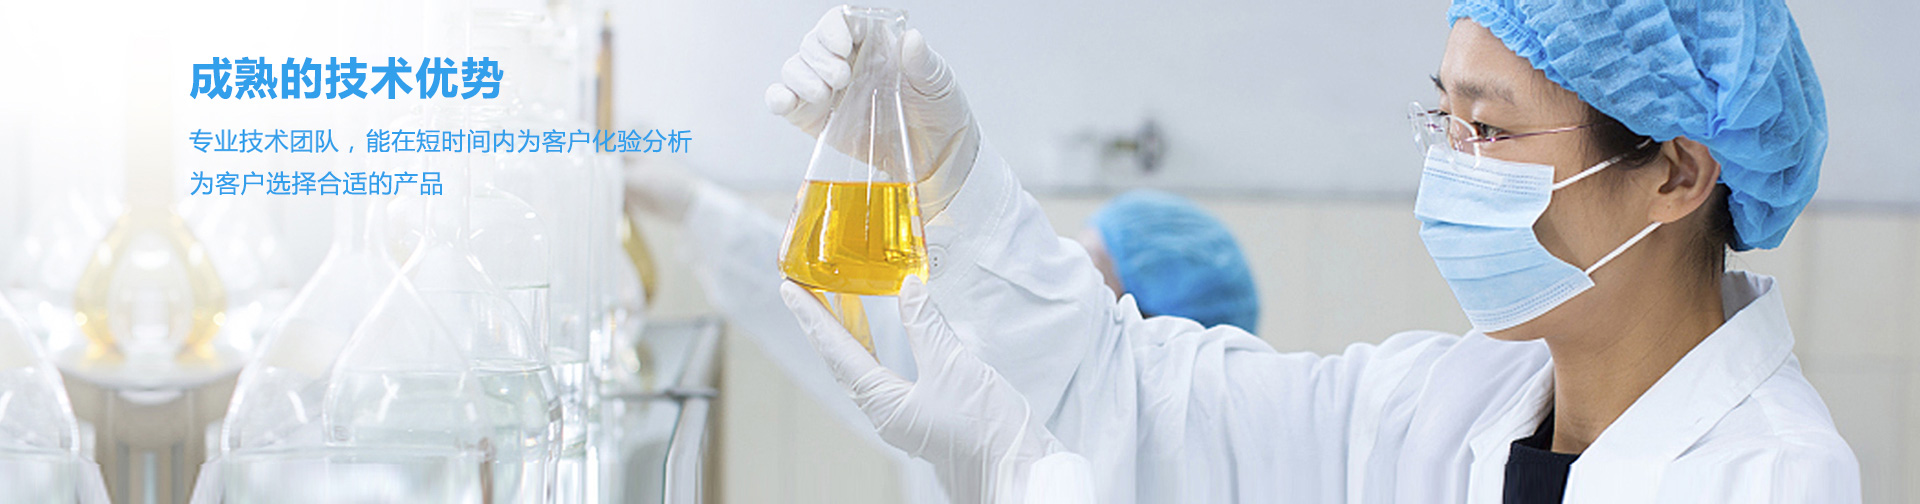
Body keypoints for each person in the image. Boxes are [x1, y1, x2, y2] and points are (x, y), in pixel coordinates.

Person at [768, 1, 1859, 503]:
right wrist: (949, 172)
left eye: (1490, 130)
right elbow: (1141, 397)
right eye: (1444, 120)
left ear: (1676, 174)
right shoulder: (1437, 406)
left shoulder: (1768, 480)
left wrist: (1041, 488)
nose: (1449, 169)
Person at [623, 156, 1261, 502]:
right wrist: (695, 210)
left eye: (1089, 275)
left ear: (1148, 331)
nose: (1058, 282)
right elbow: (847, 316)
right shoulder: (991, 376)